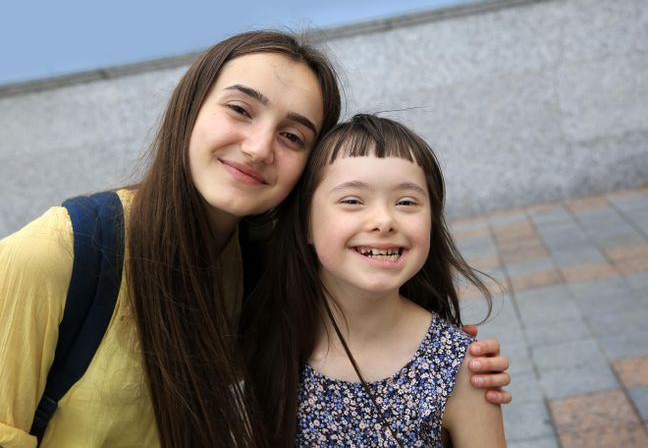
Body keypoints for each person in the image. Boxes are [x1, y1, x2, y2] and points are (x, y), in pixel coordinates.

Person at [0, 31, 509, 448]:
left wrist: (438, 362)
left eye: (293, 136)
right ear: (190, 107)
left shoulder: (260, 269)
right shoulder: (57, 253)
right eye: (241, 109)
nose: (259, 147)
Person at [240, 114, 506, 447]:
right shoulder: (261, 344)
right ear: (306, 223)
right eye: (352, 200)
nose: (383, 220)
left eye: (406, 202)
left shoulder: (460, 367)